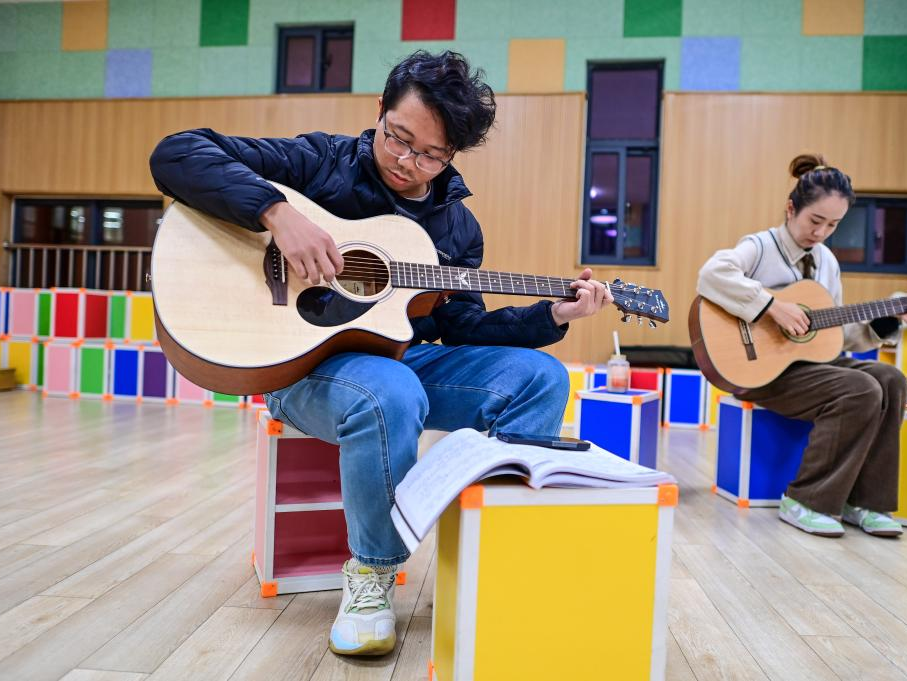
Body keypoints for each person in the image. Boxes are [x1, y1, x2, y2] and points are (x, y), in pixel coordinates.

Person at [149, 51, 614, 656]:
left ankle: (494, 552)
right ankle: (371, 575)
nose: (406, 161)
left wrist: (551, 314)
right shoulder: (318, 162)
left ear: (452, 155)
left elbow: (461, 328)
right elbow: (177, 153)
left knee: (541, 377)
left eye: (430, 154)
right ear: (380, 112)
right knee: (391, 392)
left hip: (402, 359)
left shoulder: (456, 230)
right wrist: (277, 212)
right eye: (398, 138)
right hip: (304, 366)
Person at [697, 153, 907, 539]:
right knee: (860, 389)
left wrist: (886, 321)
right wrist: (772, 306)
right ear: (791, 209)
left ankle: (865, 501)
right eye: (815, 221)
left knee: (891, 379)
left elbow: (832, 334)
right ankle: (807, 500)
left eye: (832, 225)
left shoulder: (827, 263)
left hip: (810, 367)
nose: (820, 233)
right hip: (760, 371)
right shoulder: (760, 246)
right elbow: (712, 274)